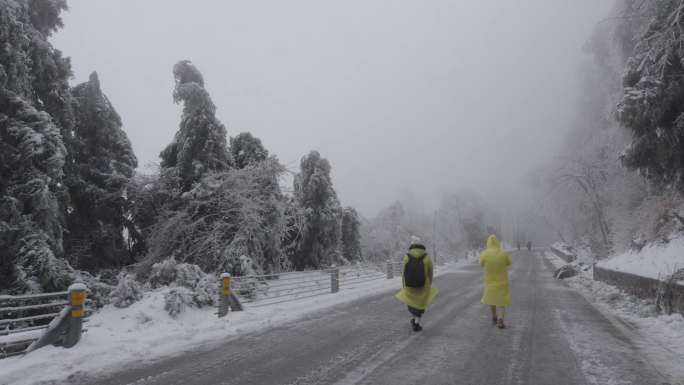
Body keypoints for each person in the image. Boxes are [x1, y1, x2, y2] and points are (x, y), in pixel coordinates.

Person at [395, 242, 439, 332]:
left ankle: (414, 319)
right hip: (423, 286)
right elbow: (430, 273)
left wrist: (404, 284)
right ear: (423, 249)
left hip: (409, 286)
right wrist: (429, 283)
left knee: (411, 303)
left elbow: (403, 273)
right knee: (420, 305)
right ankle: (417, 322)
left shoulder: (407, 257)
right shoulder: (427, 257)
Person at [479, 234, 512, 329]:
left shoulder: (485, 253)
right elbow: (509, 262)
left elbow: (481, 263)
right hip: (502, 281)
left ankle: (494, 317)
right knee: (502, 302)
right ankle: (501, 319)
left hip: (490, 281)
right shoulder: (503, 253)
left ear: (488, 243)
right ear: (497, 242)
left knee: (491, 299)